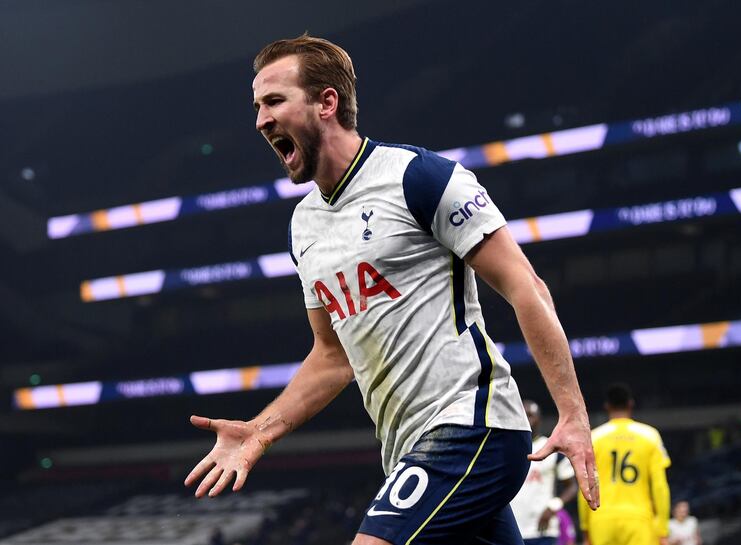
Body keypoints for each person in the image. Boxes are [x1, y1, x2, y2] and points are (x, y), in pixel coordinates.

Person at [184, 34, 599, 545]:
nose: (260, 120)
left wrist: (573, 415)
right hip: (406, 448)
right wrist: (259, 431)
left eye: (274, 101)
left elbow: (525, 286)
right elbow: (332, 354)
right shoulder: (303, 227)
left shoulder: (419, 177)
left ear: (326, 102)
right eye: (257, 106)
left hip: (472, 426)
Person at [578, 384, 670, 545]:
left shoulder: (594, 438)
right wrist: (662, 529)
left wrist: (585, 528)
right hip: (639, 519)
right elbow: (660, 486)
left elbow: (585, 484)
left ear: (607, 406)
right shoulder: (650, 436)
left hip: (601, 519)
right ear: (630, 404)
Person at [510, 401, 579, 545]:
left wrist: (554, 506)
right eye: (523, 415)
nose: (526, 419)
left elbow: (572, 486)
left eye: (530, 415)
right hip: (512, 528)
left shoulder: (551, 449)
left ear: (539, 419)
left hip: (542, 529)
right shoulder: (507, 449)